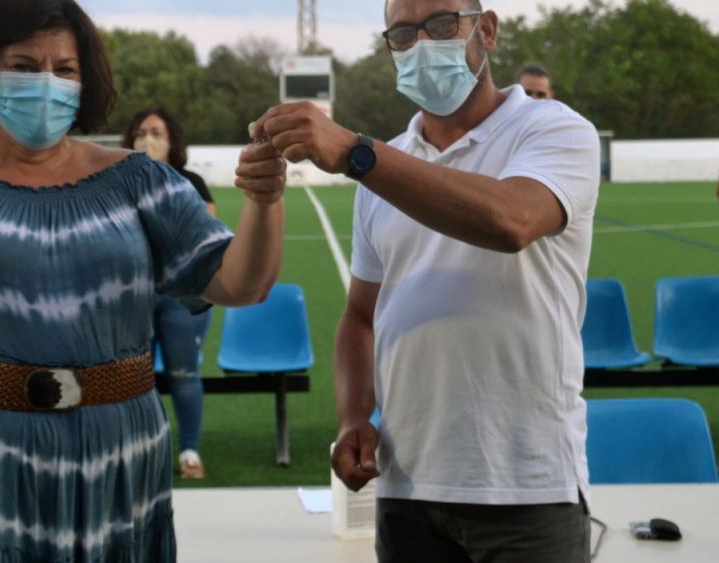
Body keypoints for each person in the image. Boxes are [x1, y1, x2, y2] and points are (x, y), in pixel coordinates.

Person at [0, 0, 286, 561]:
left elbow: (241, 285)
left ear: (84, 80)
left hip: (115, 469)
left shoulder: (143, 181)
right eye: (22, 65)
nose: (46, 83)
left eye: (64, 69)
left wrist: (264, 201)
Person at [250, 1, 600, 561]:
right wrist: (353, 417)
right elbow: (361, 316)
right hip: (407, 487)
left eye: (441, 24)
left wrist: (358, 154)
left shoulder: (556, 130)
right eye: (403, 33)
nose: (421, 44)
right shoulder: (384, 171)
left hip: (527, 487)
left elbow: (511, 221)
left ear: (486, 30)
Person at [122, 107, 214, 480]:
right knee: (130, 375)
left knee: (182, 372)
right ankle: (141, 449)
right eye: (142, 132)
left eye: (157, 132)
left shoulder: (190, 182)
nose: (149, 139)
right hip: (133, 294)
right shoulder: (118, 182)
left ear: (172, 140)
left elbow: (204, 234)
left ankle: (189, 450)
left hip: (180, 293)